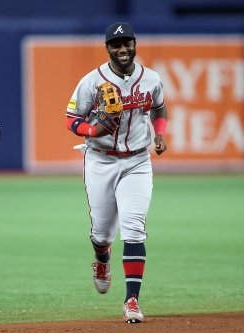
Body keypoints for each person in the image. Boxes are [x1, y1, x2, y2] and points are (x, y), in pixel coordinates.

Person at [65, 22, 168, 323]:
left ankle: (131, 300)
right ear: (107, 48)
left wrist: (159, 134)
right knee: (101, 233)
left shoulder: (151, 79)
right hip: (100, 160)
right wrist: (91, 128)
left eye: (127, 43)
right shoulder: (91, 81)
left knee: (134, 228)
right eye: (116, 44)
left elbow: (160, 109)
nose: (122, 49)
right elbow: (71, 118)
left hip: (137, 161)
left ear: (135, 44)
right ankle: (101, 258)